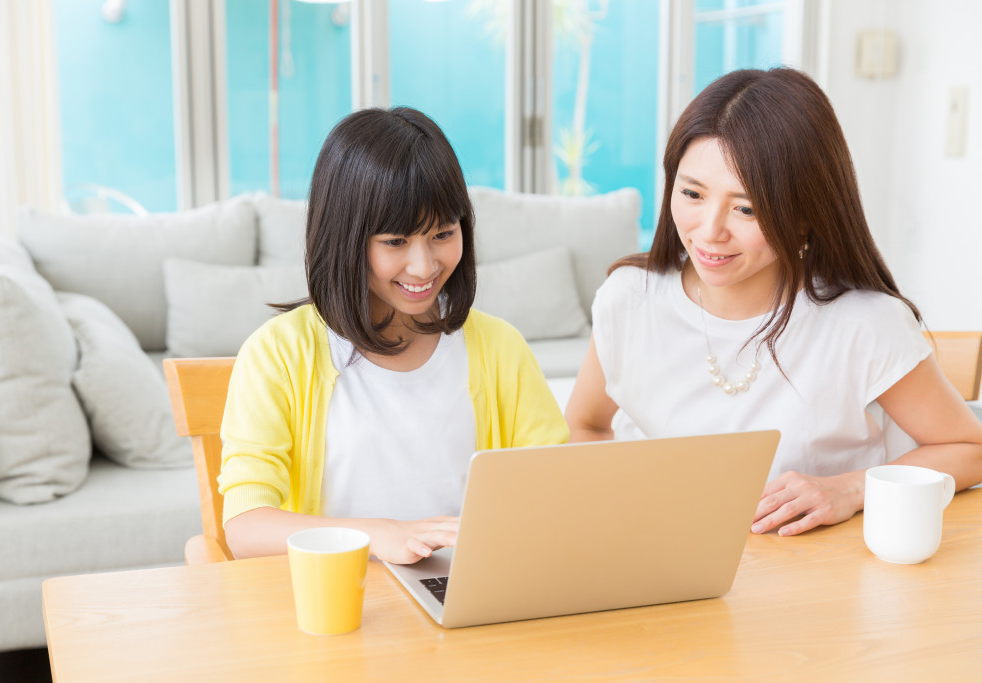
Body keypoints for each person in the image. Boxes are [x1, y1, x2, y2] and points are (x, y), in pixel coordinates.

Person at [565, 67, 982, 537]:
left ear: (805, 213)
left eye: (746, 208)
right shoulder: (629, 298)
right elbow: (586, 427)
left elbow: (969, 449)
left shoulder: (863, 323)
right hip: (662, 562)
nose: (709, 231)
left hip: (814, 576)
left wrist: (849, 489)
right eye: (692, 194)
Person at [219, 107, 568, 563]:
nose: (424, 267)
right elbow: (246, 527)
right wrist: (377, 535)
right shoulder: (279, 354)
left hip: (465, 594)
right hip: (338, 603)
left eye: (443, 233)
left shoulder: (500, 349)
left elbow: (556, 493)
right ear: (344, 238)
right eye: (395, 242)